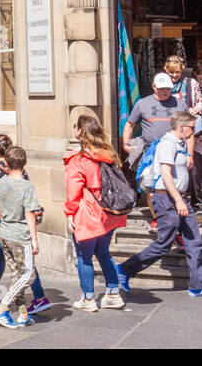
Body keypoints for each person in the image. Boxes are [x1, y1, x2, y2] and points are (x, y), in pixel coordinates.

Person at [118, 112, 202, 298]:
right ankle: (124, 270)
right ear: (182, 128)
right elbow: (165, 175)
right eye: (192, 128)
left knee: (194, 242)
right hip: (167, 200)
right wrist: (179, 200)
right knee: (164, 244)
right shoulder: (166, 145)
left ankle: (197, 285)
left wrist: (183, 198)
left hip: (180, 199)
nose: (194, 132)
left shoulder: (179, 145)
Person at [64, 113, 129, 312]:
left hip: (87, 212)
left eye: (76, 127)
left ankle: (88, 298)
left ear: (81, 132)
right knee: (103, 251)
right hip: (109, 211)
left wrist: (69, 213)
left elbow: (73, 191)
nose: (74, 130)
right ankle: (112, 293)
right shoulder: (109, 154)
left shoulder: (79, 159)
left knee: (84, 256)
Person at [0, 134, 49, 315]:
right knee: (25, 270)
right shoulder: (24, 179)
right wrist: (34, 238)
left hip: (6, 229)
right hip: (20, 230)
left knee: (19, 270)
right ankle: (12, 306)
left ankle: (19, 308)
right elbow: (29, 211)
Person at [0, 146, 43, 329]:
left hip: (5, 234)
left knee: (16, 275)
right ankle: (2, 308)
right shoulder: (27, 186)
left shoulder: (2, 182)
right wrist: (34, 239)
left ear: (6, 163)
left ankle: (23, 314)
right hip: (21, 236)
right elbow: (30, 214)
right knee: (28, 274)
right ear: (25, 163)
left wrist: (7, 220)